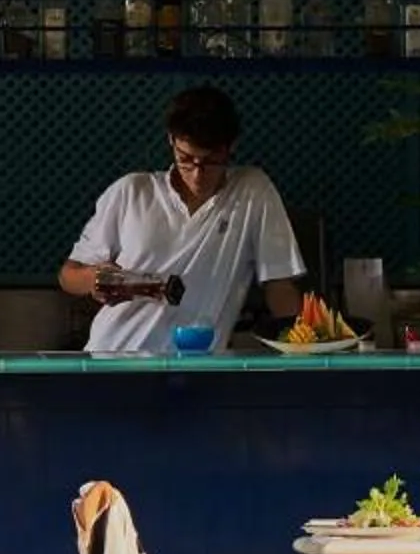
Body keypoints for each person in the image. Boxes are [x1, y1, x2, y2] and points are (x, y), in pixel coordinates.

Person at [58, 86, 306, 356]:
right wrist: (96, 279)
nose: (197, 175)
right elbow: (69, 275)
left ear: (231, 147)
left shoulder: (252, 192)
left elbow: (279, 285)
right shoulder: (131, 191)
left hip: (198, 364)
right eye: (186, 160)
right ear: (171, 141)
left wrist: (305, 346)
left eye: (211, 161)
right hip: (115, 355)